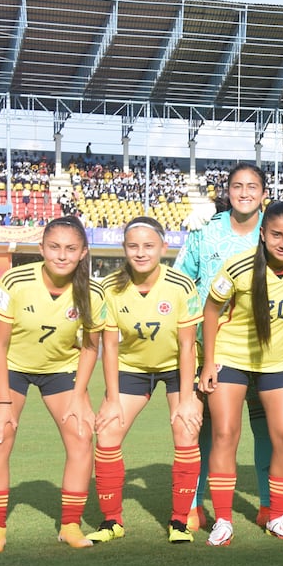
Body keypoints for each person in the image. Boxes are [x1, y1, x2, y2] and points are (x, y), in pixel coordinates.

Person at [200, 201, 283, 545]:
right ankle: (223, 520)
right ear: (262, 234)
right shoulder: (239, 266)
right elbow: (211, 311)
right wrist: (209, 362)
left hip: (278, 363)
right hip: (232, 357)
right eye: (276, 235)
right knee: (225, 433)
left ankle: (277, 518)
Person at [0, 216, 106, 554]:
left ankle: (70, 525)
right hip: (10, 366)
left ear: (83, 252)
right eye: (54, 247)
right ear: (41, 248)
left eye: (70, 249)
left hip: (60, 369)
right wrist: (2, 403)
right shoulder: (15, 281)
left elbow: (90, 347)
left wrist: (78, 395)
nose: (62, 255)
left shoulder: (93, 292)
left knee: (82, 435)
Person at [88, 217, 204, 545]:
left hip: (176, 367)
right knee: (107, 431)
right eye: (133, 246)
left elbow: (187, 346)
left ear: (163, 248)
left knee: (186, 428)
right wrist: (112, 399)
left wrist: (186, 398)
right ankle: (112, 521)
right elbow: (110, 347)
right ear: (124, 248)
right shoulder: (110, 287)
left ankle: (180, 521)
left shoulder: (181, 285)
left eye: (149, 246)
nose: (141, 253)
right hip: (132, 368)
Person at [173, 162, 273, 531]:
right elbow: (182, 281)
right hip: (210, 348)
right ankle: (194, 505)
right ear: (227, 191)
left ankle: (267, 505)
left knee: (265, 427)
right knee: (207, 427)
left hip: (262, 348)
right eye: (237, 186)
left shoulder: (273, 231)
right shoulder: (206, 230)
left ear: (264, 193)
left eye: (252, 186)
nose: (244, 193)